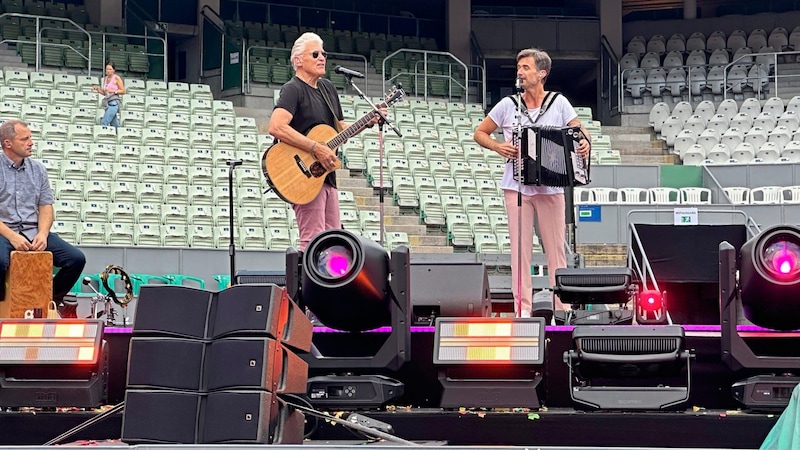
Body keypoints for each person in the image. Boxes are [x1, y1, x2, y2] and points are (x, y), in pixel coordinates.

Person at [474, 48, 591, 317]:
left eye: (525, 67)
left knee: (556, 251)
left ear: (542, 74)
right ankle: (522, 311)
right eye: (518, 67)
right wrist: (497, 146)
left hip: (551, 187)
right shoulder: (507, 105)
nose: (520, 72)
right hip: (516, 188)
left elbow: (577, 128)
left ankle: (561, 310)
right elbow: (479, 132)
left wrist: (583, 141)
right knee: (520, 251)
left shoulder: (558, 103)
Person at [268, 32, 381, 251]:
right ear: (298, 61)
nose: (322, 58)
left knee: (333, 240)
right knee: (312, 240)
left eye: (324, 54)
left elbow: (341, 129)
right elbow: (276, 126)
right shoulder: (293, 89)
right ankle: (304, 285)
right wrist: (314, 147)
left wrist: (368, 121)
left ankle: (328, 283)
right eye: (316, 53)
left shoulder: (328, 89)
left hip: (326, 177)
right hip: (303, 175)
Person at [0, 119, 86, 318]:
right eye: (25, 139)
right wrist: (13, 237)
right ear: (8, 143)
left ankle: (50, 298)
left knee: (75, 259)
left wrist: (43, 233)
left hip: (32, 230)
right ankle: (3, 304)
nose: (31, 142)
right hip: (4, 231)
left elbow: (46, 206)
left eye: (30, 137)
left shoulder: (38, 170)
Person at [92, 61, 125, 129]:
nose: (108, 71)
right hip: (108, 102)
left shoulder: (117, 78)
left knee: (104, 121)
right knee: (114, 124)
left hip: (114, 102)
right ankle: (117, 135)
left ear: (113, 70)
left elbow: (123, 91)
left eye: (110, 69)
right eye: (107, 69)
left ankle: (102, 135)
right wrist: (98, 89)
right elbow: (104, 92)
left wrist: (114, 91)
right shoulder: (105, 79)